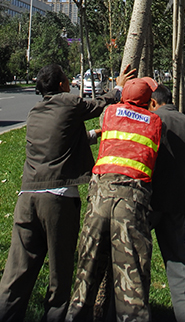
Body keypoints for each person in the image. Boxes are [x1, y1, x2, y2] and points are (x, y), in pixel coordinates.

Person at [0, 63, 134, 322]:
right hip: (57, 201)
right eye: (68, 80)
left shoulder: (35, 112)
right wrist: (120, 87)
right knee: (60, 277)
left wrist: (94, 135)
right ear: (61, 85)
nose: (70, 84)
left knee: (16, 275)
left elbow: (60, 140)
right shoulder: (68, 102)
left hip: (27, 198)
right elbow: (101, 103)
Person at [66, 77, 163, 322]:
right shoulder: (154, 121)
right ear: (150, 102)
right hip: (131, 201)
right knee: (132, 282)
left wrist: (119, 85)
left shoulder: (108, 114)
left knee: (86, 274)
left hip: (99, 198)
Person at [149, 84, 185, 322]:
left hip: (151, 198)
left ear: (154, 102)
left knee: (137, 256)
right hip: (177, 198)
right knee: (178, 260)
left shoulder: (151, 119)